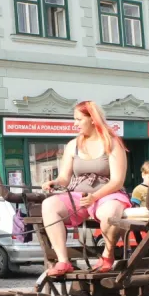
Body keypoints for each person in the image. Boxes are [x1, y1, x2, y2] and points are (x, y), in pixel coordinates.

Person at [40, 100, 131, 276]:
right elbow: (65, 178)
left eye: (79, 119)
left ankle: (107, 256)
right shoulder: (72, 145)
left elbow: (117, 181)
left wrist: (95, 197)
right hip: (78, 194)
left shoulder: (112, 143)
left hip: (108, 194)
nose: (75, 124)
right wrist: (55, 183)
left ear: (92, 119)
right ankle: (63, 261)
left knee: (111, 212)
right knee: (48, 205)